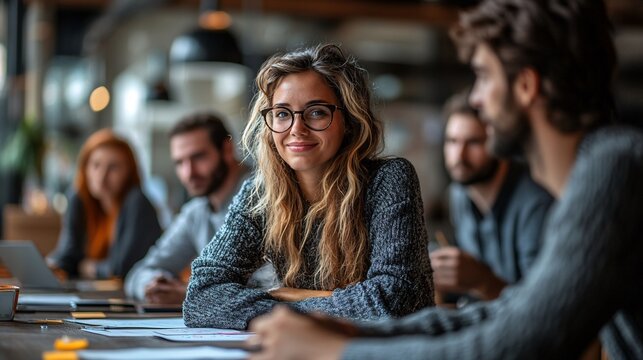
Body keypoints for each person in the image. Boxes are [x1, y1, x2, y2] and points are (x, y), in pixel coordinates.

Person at [245, 0, 643, 359]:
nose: (475, 99)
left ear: (525, 84)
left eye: (484, 76)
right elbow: (511, 312)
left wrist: (338, 351)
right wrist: (357, 330)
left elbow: (522, 341)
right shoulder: (602, 168)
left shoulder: (615, 168)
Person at [183, 44, 434, 330]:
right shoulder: (260, 192)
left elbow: (394, 302)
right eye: (282, 113)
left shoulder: (389, 180)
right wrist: (321, 303)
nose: (296, 129)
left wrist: (290, 301)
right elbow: (200, 296)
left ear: (349, 120)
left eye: (316, 112)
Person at [124, 113, 264, 304]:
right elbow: (139, 273)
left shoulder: (266, 196)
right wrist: (155, 285)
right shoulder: (197, 211)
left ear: (227, 150)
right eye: (179, 163)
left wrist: (190, 294)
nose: (188, 173)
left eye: (198, 157)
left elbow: (274, 291)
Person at [431, 90, 553, 302]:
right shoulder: (458, 194)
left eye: (474, 142)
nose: (458, 156)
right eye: (451, 141)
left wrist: (483, 281)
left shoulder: (536, 204)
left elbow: (543, 306)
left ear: (499, 143)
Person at [47, 129, 162, 279]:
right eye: (95, 165)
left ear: (129, 171)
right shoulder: (79, 199)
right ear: (85, 169)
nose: (101, 176)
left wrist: (88, 267)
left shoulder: (137, 203)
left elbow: (122, 268)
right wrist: (50, 265)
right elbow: (67, 254)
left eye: (113, 167)